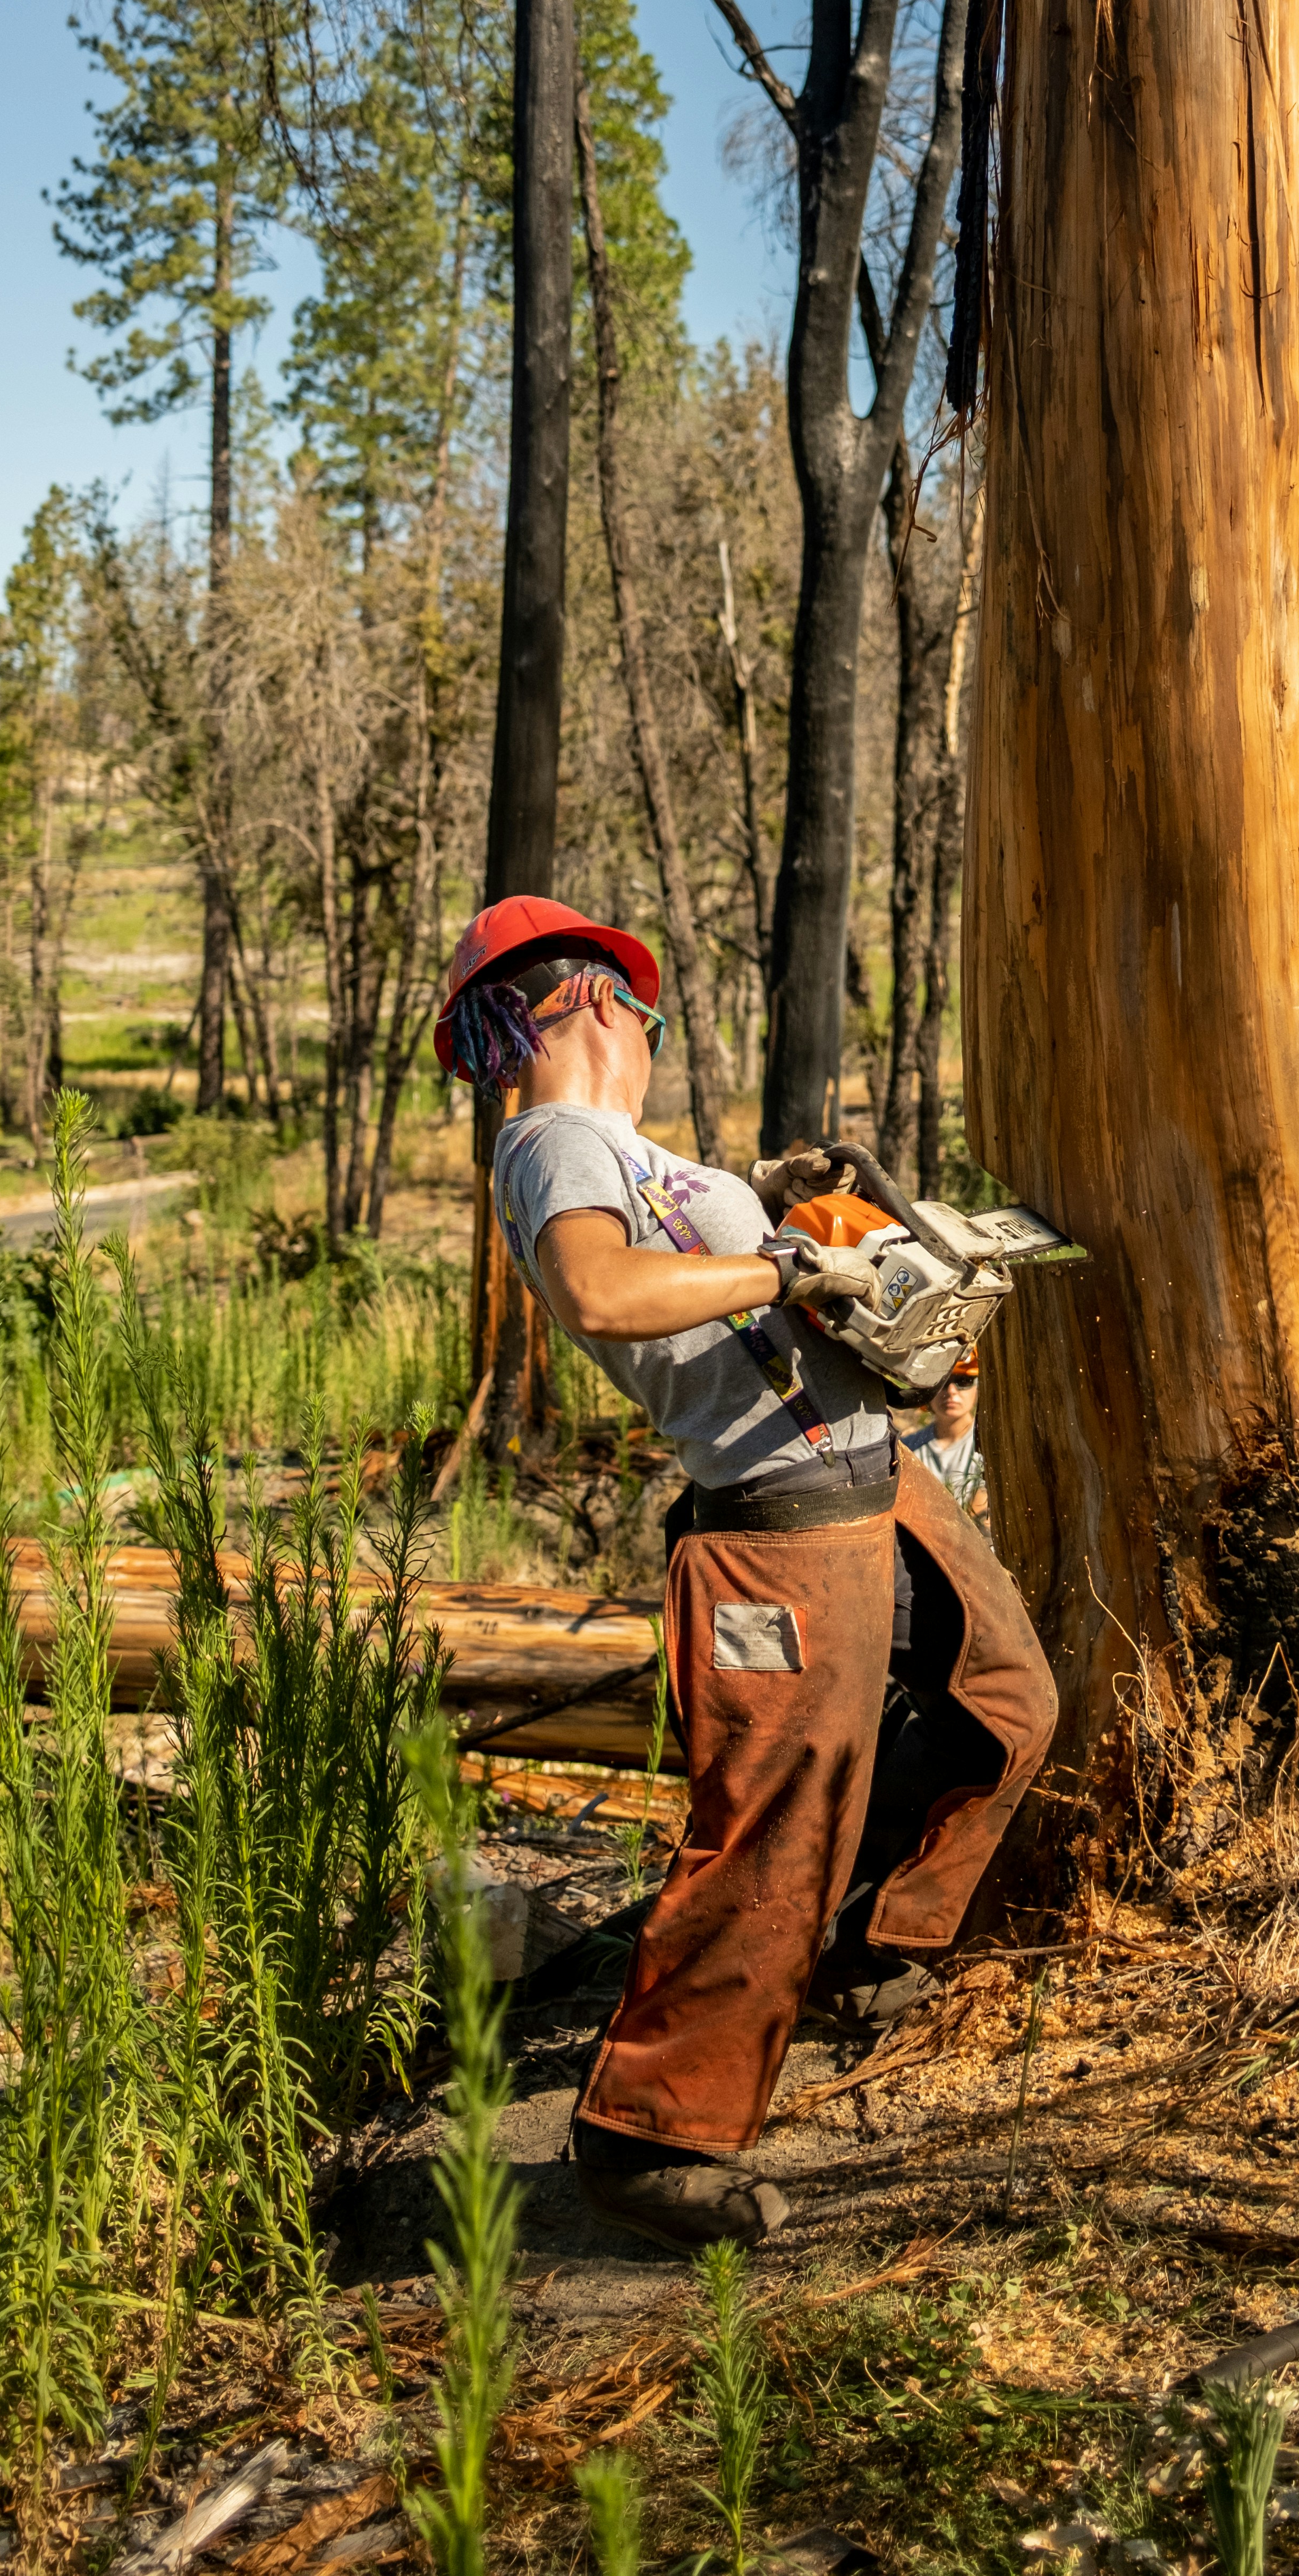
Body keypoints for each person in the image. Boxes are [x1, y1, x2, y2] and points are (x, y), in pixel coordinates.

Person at [434, 896, 1057, 2254]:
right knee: (770, 1830)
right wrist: (785, 1261)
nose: (652, 1039)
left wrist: (835, 1251)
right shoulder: (549, 1144)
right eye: (651, 1018)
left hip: (870, 1476)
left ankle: (856, 1954)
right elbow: (602, 1292)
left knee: (1003, 1703)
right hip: (773, 1526)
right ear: (600, 1001)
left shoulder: (636, 1155)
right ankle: (646, 2138)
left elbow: (720, 1276)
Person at [902, 1352, 984, 1528]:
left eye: (963, 1381)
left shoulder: (989, 1446)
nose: (951, 1391)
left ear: (978, 1388)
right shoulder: (907, 1449)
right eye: (942, 1383)